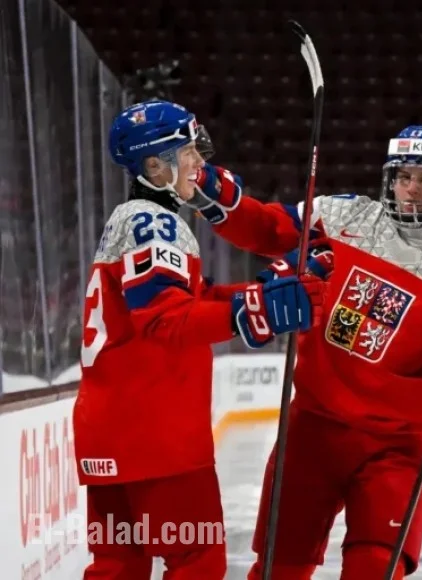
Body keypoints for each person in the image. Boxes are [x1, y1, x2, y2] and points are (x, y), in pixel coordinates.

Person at [191, 125, 422, 579]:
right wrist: (210, 189)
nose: (412, 189)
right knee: (278, 569)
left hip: (398, 449)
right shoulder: (341, 218)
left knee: (374, 570)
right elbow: (265, 228)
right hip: (311, 432)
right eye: (403, 176)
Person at [73, 100, 323, 579]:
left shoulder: (130, 219)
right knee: (198, 561)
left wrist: (261, 291)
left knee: (118, 563)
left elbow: (194, 296)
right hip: (156, 431)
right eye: (186, 151)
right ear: (153, 164)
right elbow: (167, 320)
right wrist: (252, 314)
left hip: (109, 429)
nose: (199, 164)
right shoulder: (155, 221)